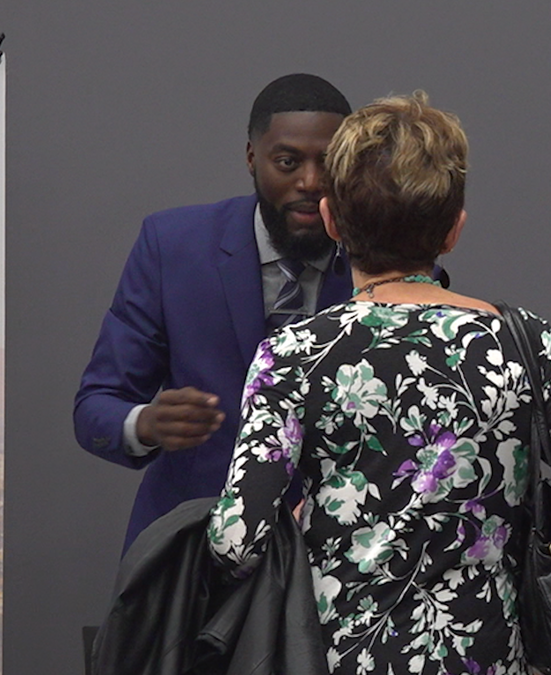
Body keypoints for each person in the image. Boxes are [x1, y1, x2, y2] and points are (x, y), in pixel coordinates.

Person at [206, 92, 551, 675]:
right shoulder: (522, 340)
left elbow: (235, 543)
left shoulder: (293, 355)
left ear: (332, 219)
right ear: (454, 231)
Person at [74, 74, 354, 551]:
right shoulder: (174, 247)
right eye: (287, 162)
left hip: (338, 559)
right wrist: (145, 423)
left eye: (327, 163)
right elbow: (95, 406)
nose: (310, 181)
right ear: (252, 157)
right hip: (193, 554)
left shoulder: (383, 260)